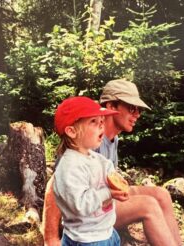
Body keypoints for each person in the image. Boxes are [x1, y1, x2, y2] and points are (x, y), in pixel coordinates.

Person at [42, 79, 182, 246]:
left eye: (139, 110)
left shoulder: (112, 139)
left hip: (103, 200)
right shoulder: (84, 140)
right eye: (132, 108)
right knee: (148, 205)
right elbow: (54, 186)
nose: (137, 114)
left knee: (162, 194)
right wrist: (50, 238)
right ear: (111, 106)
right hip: (86, 218)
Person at [53, 96, 129, 245]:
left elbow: (105, 166)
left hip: (105, 231)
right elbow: (80, 205)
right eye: (93, 121)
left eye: (101, 121)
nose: (101, 125)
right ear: (72, 132)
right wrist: (109, 193)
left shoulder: (92, 156)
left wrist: (115, 179)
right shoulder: (70, 166)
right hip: (86, 239)